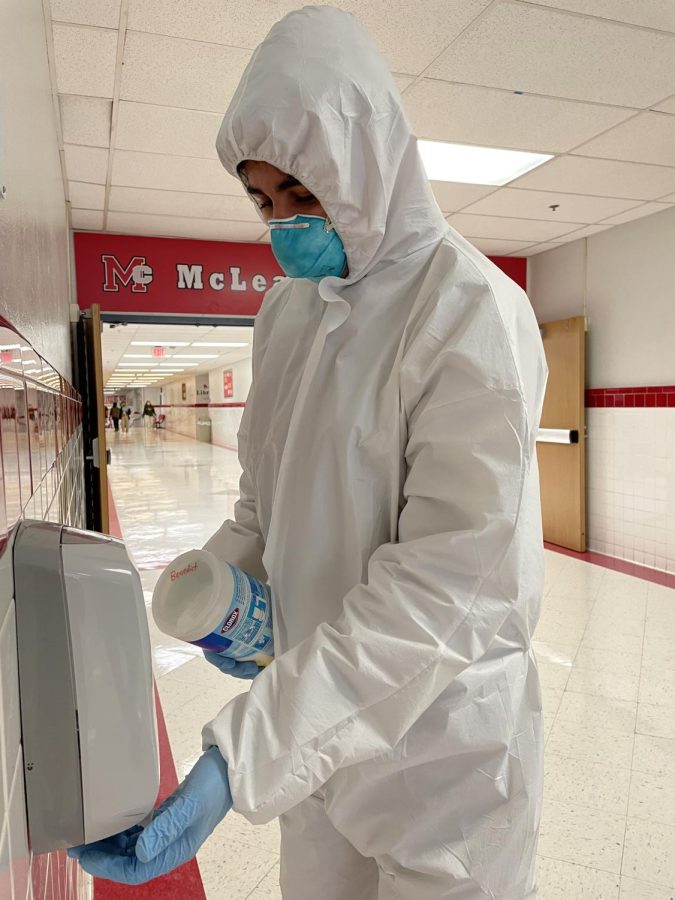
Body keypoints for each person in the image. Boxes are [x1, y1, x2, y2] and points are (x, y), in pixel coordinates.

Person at [70, 7, 547, 898]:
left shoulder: (468, 312)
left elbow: (444, 596)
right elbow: (264, 500)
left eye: (303, 194)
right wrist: (218, 584)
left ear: (366, 169)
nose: (282, 224)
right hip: (316, 736)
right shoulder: (288, 314)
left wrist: (235, 762)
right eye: (262, 202)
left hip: (444, 759)